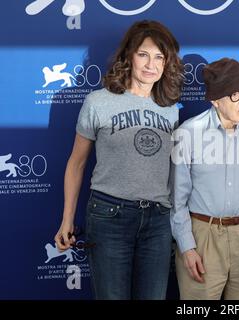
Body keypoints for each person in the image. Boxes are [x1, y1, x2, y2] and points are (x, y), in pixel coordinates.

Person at [54, 20, 184, 300]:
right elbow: (76, 163)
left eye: (160, 57)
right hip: (109, 216)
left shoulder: (171, 110)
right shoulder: (98, 102)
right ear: (128, 56)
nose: (151, 64)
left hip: (158, 221)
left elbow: (174, 172)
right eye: (144, 54)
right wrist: (67, 220)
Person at [170, 58, 239, 300]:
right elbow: (177, 199)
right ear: (215, 100)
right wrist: (187, 247)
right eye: (235, 95)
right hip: (203, 236)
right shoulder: (188, 133)